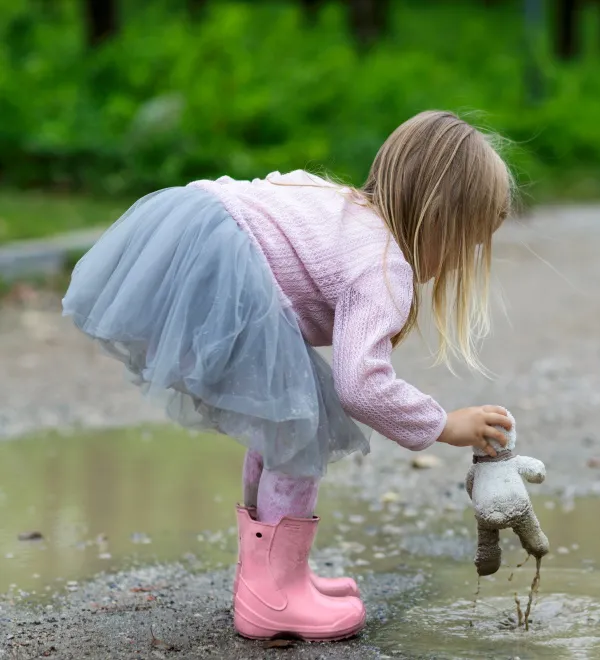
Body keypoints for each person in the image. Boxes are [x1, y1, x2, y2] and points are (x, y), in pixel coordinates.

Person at [61, 110, 514, 642]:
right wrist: (443, 424)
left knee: (284, 421)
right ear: (439, 218)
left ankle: (272, 579)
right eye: (469, 242)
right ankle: (273, 594)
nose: (462, 263)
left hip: (195, 229)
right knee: (300, 425)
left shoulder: (344, 208)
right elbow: (361, 384)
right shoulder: (382, 264)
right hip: (222, 265)